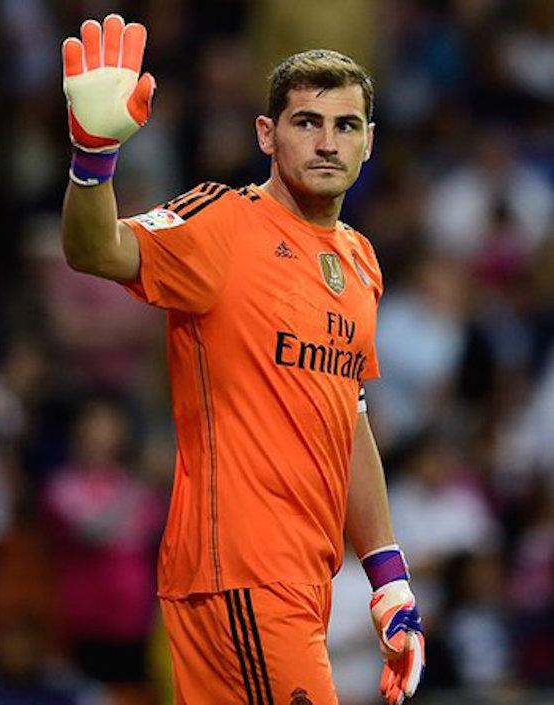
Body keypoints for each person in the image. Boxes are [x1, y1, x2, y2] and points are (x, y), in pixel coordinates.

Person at [58, 14, 425, 705]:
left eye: (345, 126)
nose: (326, 141)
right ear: (266, 134)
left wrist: (389, 578)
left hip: (304, 582)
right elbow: (95, 250)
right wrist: (92, 154)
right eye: (306, 122)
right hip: (239, 574)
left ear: (369, 143)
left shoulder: (361, 260)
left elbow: (348, 418)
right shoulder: (223, 224)